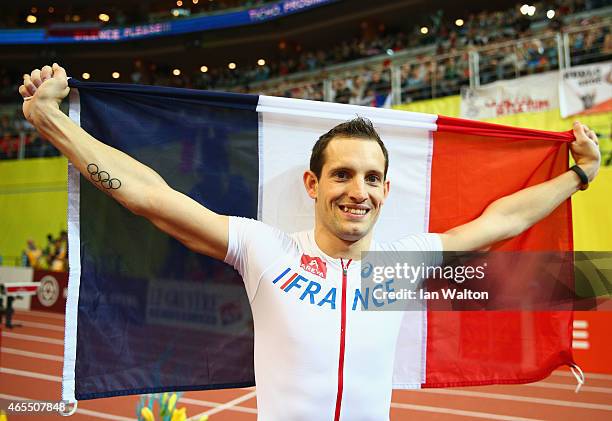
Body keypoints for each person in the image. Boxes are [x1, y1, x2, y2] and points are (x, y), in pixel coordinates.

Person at [19, 64, 600, 420]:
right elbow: (150, 195)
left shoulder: (401, 266)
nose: (358, 191)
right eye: (343, 175)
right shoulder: (266, 250)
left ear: (387, 190)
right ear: (313, 184)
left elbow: (499, 221)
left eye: (372, 178)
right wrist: (56, 125)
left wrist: (578, 177)